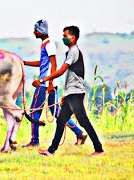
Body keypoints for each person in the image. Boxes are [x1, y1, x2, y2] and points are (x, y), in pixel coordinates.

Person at [37, 25, 104, 157]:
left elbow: (61, 71)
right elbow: (70, 76)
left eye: (65, 36)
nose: (63, 38)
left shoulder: (74, 51)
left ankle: (99, 149)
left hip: (75, 94)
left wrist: (42, 80)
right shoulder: (71, 52)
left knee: (84, 121)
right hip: (71, 94)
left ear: (72, 38)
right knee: (61, 121)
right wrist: (65, 95)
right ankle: (51, 151)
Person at [22, 20, 87, 148]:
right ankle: (79, 133)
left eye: (35, 30)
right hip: (49, 84)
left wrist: (49, 82)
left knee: (34, 110)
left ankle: (34, 141)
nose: (34, 32)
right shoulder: (46, 44)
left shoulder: (49, 44)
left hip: (45, 84)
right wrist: (24, 63)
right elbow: (43, 62)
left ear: (41, 31)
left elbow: (53, 64)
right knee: (57, 112)